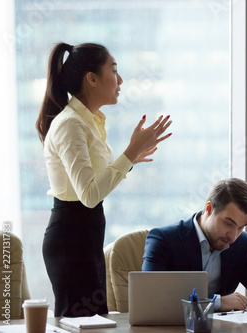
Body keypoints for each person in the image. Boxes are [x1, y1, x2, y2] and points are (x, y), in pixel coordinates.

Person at [36, 42, 172, 317]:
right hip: (71, 239)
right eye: (114, 70)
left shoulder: (90, 121)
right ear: (92, 78)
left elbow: (97, 183)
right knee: (82, 324)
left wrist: (130, 160)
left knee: (96, 322)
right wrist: (130, 152)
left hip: (85, 235)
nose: (120, 80)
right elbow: (89, 194)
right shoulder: (71, 124)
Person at [142, 178, 247, 311]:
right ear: (209, 209)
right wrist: (217, 302)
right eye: (228, 223)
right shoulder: (164, 239)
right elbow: (152, 296)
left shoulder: (241, 243)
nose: (232, 236)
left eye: (240, 228)